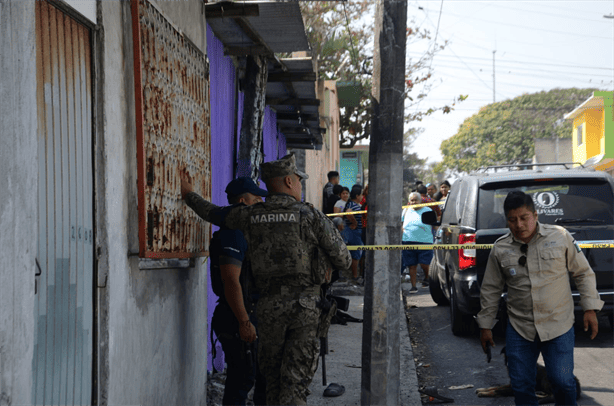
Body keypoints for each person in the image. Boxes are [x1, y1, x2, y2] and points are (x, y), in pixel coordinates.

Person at [181, 153, 352, 406]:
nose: (300, 184)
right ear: (289, 181)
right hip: (305, 309)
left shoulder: (249, 215)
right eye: (298, 179)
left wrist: (188, 195)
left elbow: (212, 213)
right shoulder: (310, 216)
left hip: (267, 310)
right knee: (294, 387)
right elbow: (345, 261)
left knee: (272, 384)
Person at [477, 191, 603, 406]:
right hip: (520, 327)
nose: (518, 224)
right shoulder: (500, 248)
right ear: (506, 220)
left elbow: (582, 273)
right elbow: (490, 289)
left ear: (535, 215)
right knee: (521, 385)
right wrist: (485, 325)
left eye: (524, 217)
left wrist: (590, 309)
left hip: (558, 325)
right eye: (512, 219)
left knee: (562, 382)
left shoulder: (560, 236)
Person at [209, 177, 267, 406]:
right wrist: (244, 321)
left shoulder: (245, 232)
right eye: (256, 198)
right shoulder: (232, 233)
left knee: (258, 375)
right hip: (235, 317)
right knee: (242, 380)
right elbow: (231, 280)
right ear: (243, 202)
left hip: (246, 314)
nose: (261, 202)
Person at [401, 192, 434, 293]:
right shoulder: (406, 210)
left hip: (425, 242)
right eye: (412, 200)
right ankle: (413, 286)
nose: (414, 202)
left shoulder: (428, 210)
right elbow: (401, 224)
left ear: (420, 201)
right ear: (409, 201)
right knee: (412, 265)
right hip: (408, 241)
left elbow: (434, 226)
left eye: (416, 200)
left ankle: (427, 278)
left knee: (425, 263)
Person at [343, 185, 364, 283]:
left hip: (355, 232)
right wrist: (354, 223)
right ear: (357, 196)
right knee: (356, 254)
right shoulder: (353, 205)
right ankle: (355, 276)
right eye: (361, 195)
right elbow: (348, 213)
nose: (362, 197)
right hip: (354, 233)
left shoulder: (352, 204)